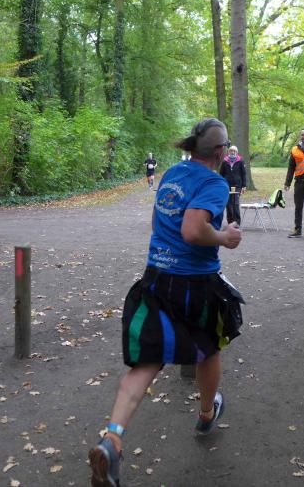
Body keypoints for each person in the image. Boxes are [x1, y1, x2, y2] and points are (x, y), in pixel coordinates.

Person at [88, 118, 244, 487]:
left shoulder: (173, 173)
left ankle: (112, 439)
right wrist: (225, 237)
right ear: (220, 152)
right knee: (209, 348)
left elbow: (160, 221)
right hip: (195, 285)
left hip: (156, 278)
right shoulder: (213, 183)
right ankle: (206, 414)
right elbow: (192, 229)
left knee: (147, 362)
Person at [219, 145, 247, 225]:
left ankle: (237, 222)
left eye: (234, 151)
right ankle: (230, 222)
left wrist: (244, 186)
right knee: (228, 204)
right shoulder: (224, 161)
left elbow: (244, 174)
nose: (232, 152)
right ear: (228, 152)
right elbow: (221, 174)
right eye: (231, 151)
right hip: (226, 186)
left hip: (237, 185)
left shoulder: (240, 161)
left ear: (236, 152)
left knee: (235, 203)